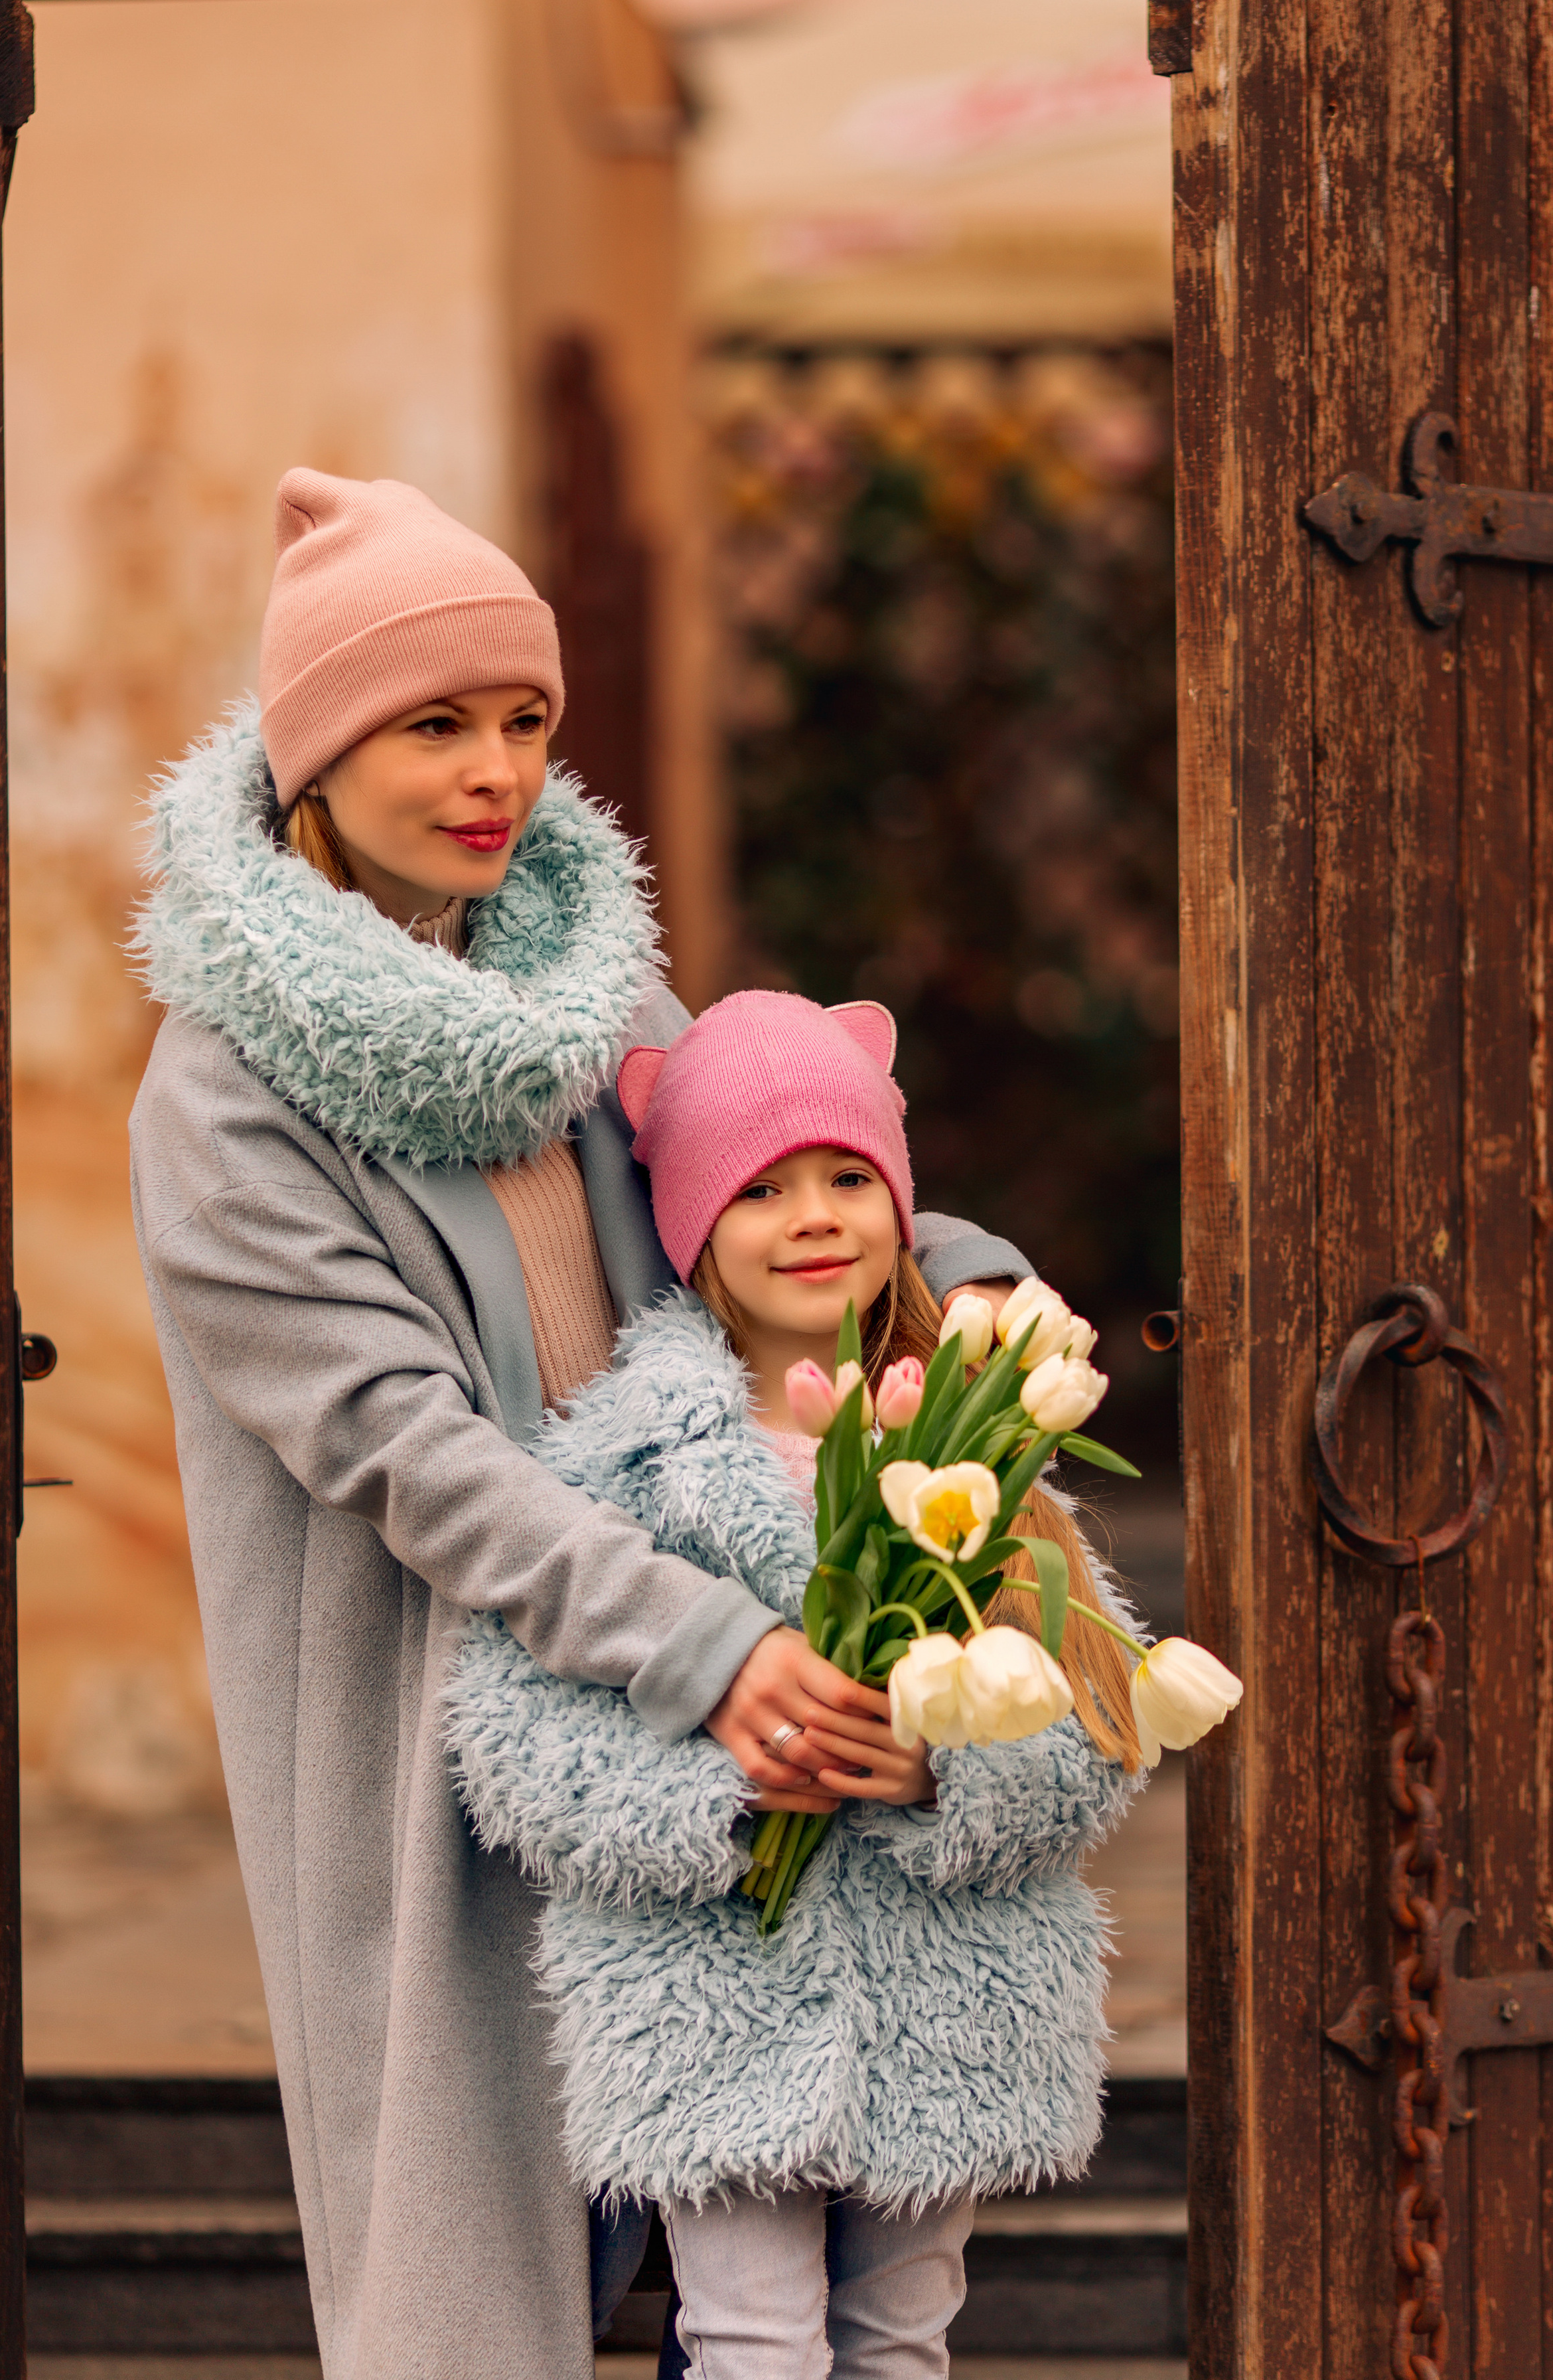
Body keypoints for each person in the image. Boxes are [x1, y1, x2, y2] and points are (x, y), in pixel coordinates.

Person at [128, 467, 1034, 2380]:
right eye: (432, 722)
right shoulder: (222, 1097)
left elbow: (764, 1174)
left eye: (524, 720)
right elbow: (401, 1450)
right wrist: (705, 1651)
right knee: (482, 2289)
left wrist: (973, 1283)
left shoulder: (582, 987)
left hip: (697, 1668)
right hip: (452, 1709)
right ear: (317, 747)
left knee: (758, 2257)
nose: (494, 771)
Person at [447, 989, 1145, 2380]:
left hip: (947, 1992)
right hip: (711, 1990)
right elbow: (518, 1743)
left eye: (845, 1178)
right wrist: (726, 1790)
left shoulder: (972, 1449)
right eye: (760, 1189)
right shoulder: (623, 1466)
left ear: (901, 1208)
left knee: (900, 2338)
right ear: (695, 1229)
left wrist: (942, 1769)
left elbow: (1094, 1724)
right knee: (749, 2338)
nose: (812, 1216)